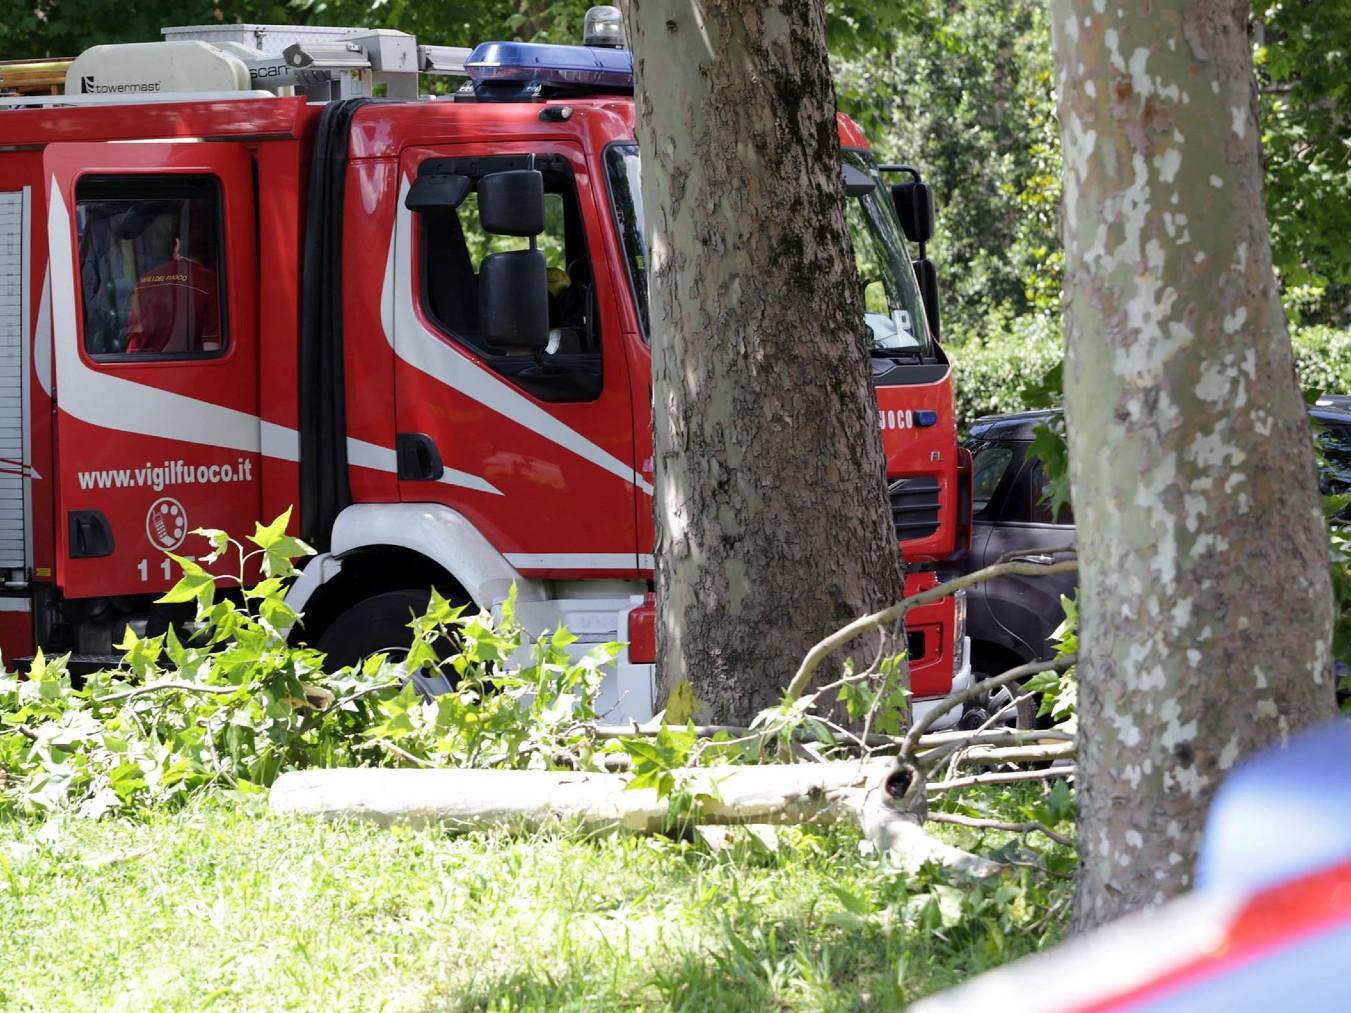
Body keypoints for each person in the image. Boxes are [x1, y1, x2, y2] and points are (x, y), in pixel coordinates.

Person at [124, 209, 221, 354]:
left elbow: (133, 341)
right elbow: (211, 347)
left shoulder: (143, 280)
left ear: (177, 244)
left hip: (141, 370)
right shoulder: (211, 283)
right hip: (184, 371)